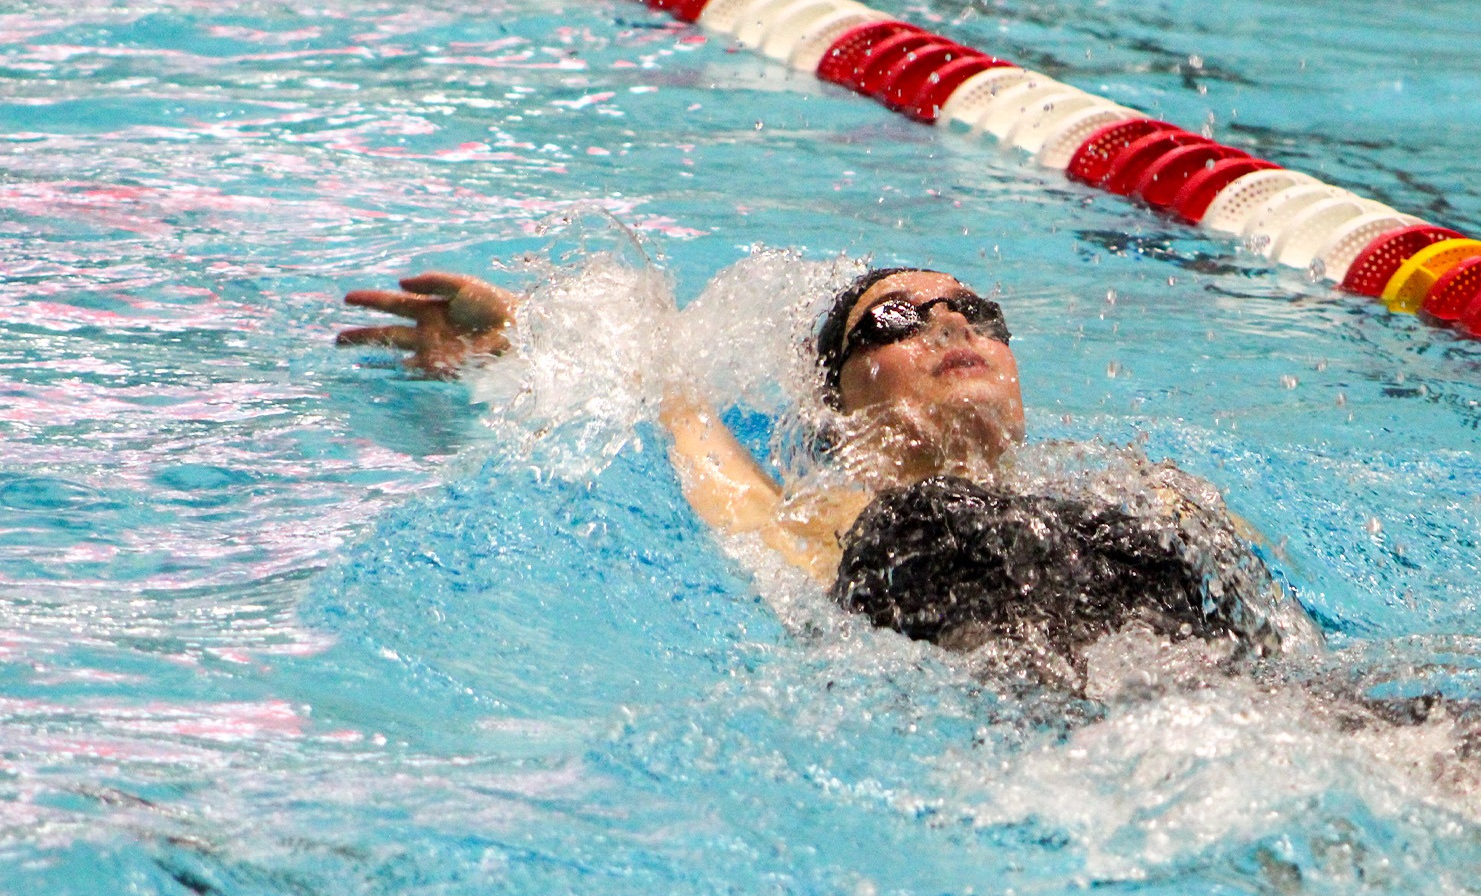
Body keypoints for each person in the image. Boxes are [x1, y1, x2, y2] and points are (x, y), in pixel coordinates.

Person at [340, 265, 1321, 688]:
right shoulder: (840, 514)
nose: (951, 326)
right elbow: (687, 425)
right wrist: (529, 340)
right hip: (1091, 745)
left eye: (974, 309)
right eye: (895, 321)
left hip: (1276, 709)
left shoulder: (1142, 488)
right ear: (838, 400)